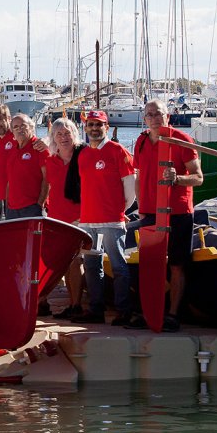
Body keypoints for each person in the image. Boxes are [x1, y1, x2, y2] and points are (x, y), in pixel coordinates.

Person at [131, 99, 203, 332]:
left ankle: (173, 314)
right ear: (144, 118)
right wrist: (141, 206)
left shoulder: (181, 140)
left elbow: (198, 177)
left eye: (158, 114)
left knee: (177, 264)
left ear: (167, 116)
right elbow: (140, 176)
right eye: (149, 114)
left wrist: (178, 179)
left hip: (178, 211)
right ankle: (150, 311)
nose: (154, 118)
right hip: (150, 211)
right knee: (151, 262)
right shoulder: (141, 141)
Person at [71, 110, 136, 326]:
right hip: (88, 222)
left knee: (118, 267)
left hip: (111, 221)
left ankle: (123, 310)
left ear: (106, 127)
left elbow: (130, 187)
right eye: (90, 125)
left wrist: (120, 210)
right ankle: (96, 310)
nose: (94, 129)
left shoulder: (118, 151)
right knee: (92, 266)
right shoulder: (83, 155)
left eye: (99, 125)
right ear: (86, 128)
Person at [45, 118, 85, 320]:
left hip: (80, 217)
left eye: (67, 133)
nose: (63, 137)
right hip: (57, 219)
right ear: (53, 138)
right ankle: (72, 302)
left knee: (76, 261)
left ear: (74, 134)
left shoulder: (84, 156)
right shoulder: (50, 161)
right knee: (65, 262)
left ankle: (77, 304)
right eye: (59, 134)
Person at [4, 113, 49, 219]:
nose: (20, 129)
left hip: (32, 208)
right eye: (16, 127)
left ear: (31, 127)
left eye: (23, 125)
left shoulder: (39, 147)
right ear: (12, 132)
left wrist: (40, 204)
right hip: (12, 210)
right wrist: (7, 203)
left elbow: (47, 178)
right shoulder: (13, 150)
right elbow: (10, 180)